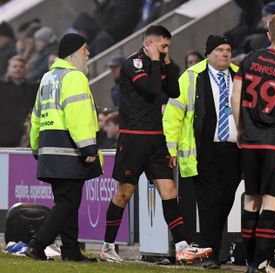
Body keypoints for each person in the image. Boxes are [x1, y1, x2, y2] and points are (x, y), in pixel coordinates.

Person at [99, 25, 212, 264]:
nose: (165, 50)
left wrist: (167, 61)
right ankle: (107, 246)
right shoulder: (134, 64)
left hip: (156, 138)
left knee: (170, 190)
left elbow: (173, 91)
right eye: (163, 46)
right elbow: (151, 89)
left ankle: (181, 246)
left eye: (168, 47)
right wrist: (154, 60)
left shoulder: (159, 62)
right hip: (133, 138)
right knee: (125, 192)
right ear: (150, 43)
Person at [163, 35, 241, 269]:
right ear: (209, 53)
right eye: (220, 50)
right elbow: (173, 115)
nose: (225, 54)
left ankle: (212, 249)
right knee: (208, 204)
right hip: (204, 150)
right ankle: (211, 255)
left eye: (228, 49)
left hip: (234, 149)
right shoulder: (191, 76)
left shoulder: (240, 75)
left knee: (226, 201)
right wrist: (171, 147)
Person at [231, 13, 275, 273]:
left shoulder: (249, 59)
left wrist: (241, 129)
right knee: (272, 204)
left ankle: (250, 263)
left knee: (251, 200)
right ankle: (261, 263)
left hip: (250, 142)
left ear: (268, 35)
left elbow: (235, 98)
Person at [25, 33, 102, 262]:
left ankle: (70, 251)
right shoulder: (75, 77)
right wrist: (89, 148)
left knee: (66, 203)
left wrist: (36, 146)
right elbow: (77, 116)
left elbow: (36, 116)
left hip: (50, 149)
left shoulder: (48, 78)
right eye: (85, 49)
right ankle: (37, 244)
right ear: (73, 53)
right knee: (68, 203)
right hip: (69, 150)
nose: (88, 53)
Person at [0, 55, 38, 147]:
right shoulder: (1, 87)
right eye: (15, 66)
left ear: (25, 69)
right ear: (8, 69)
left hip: (23, 137)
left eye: (21, 66)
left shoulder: (32, 89)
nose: (18, 69)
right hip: (2, 135)